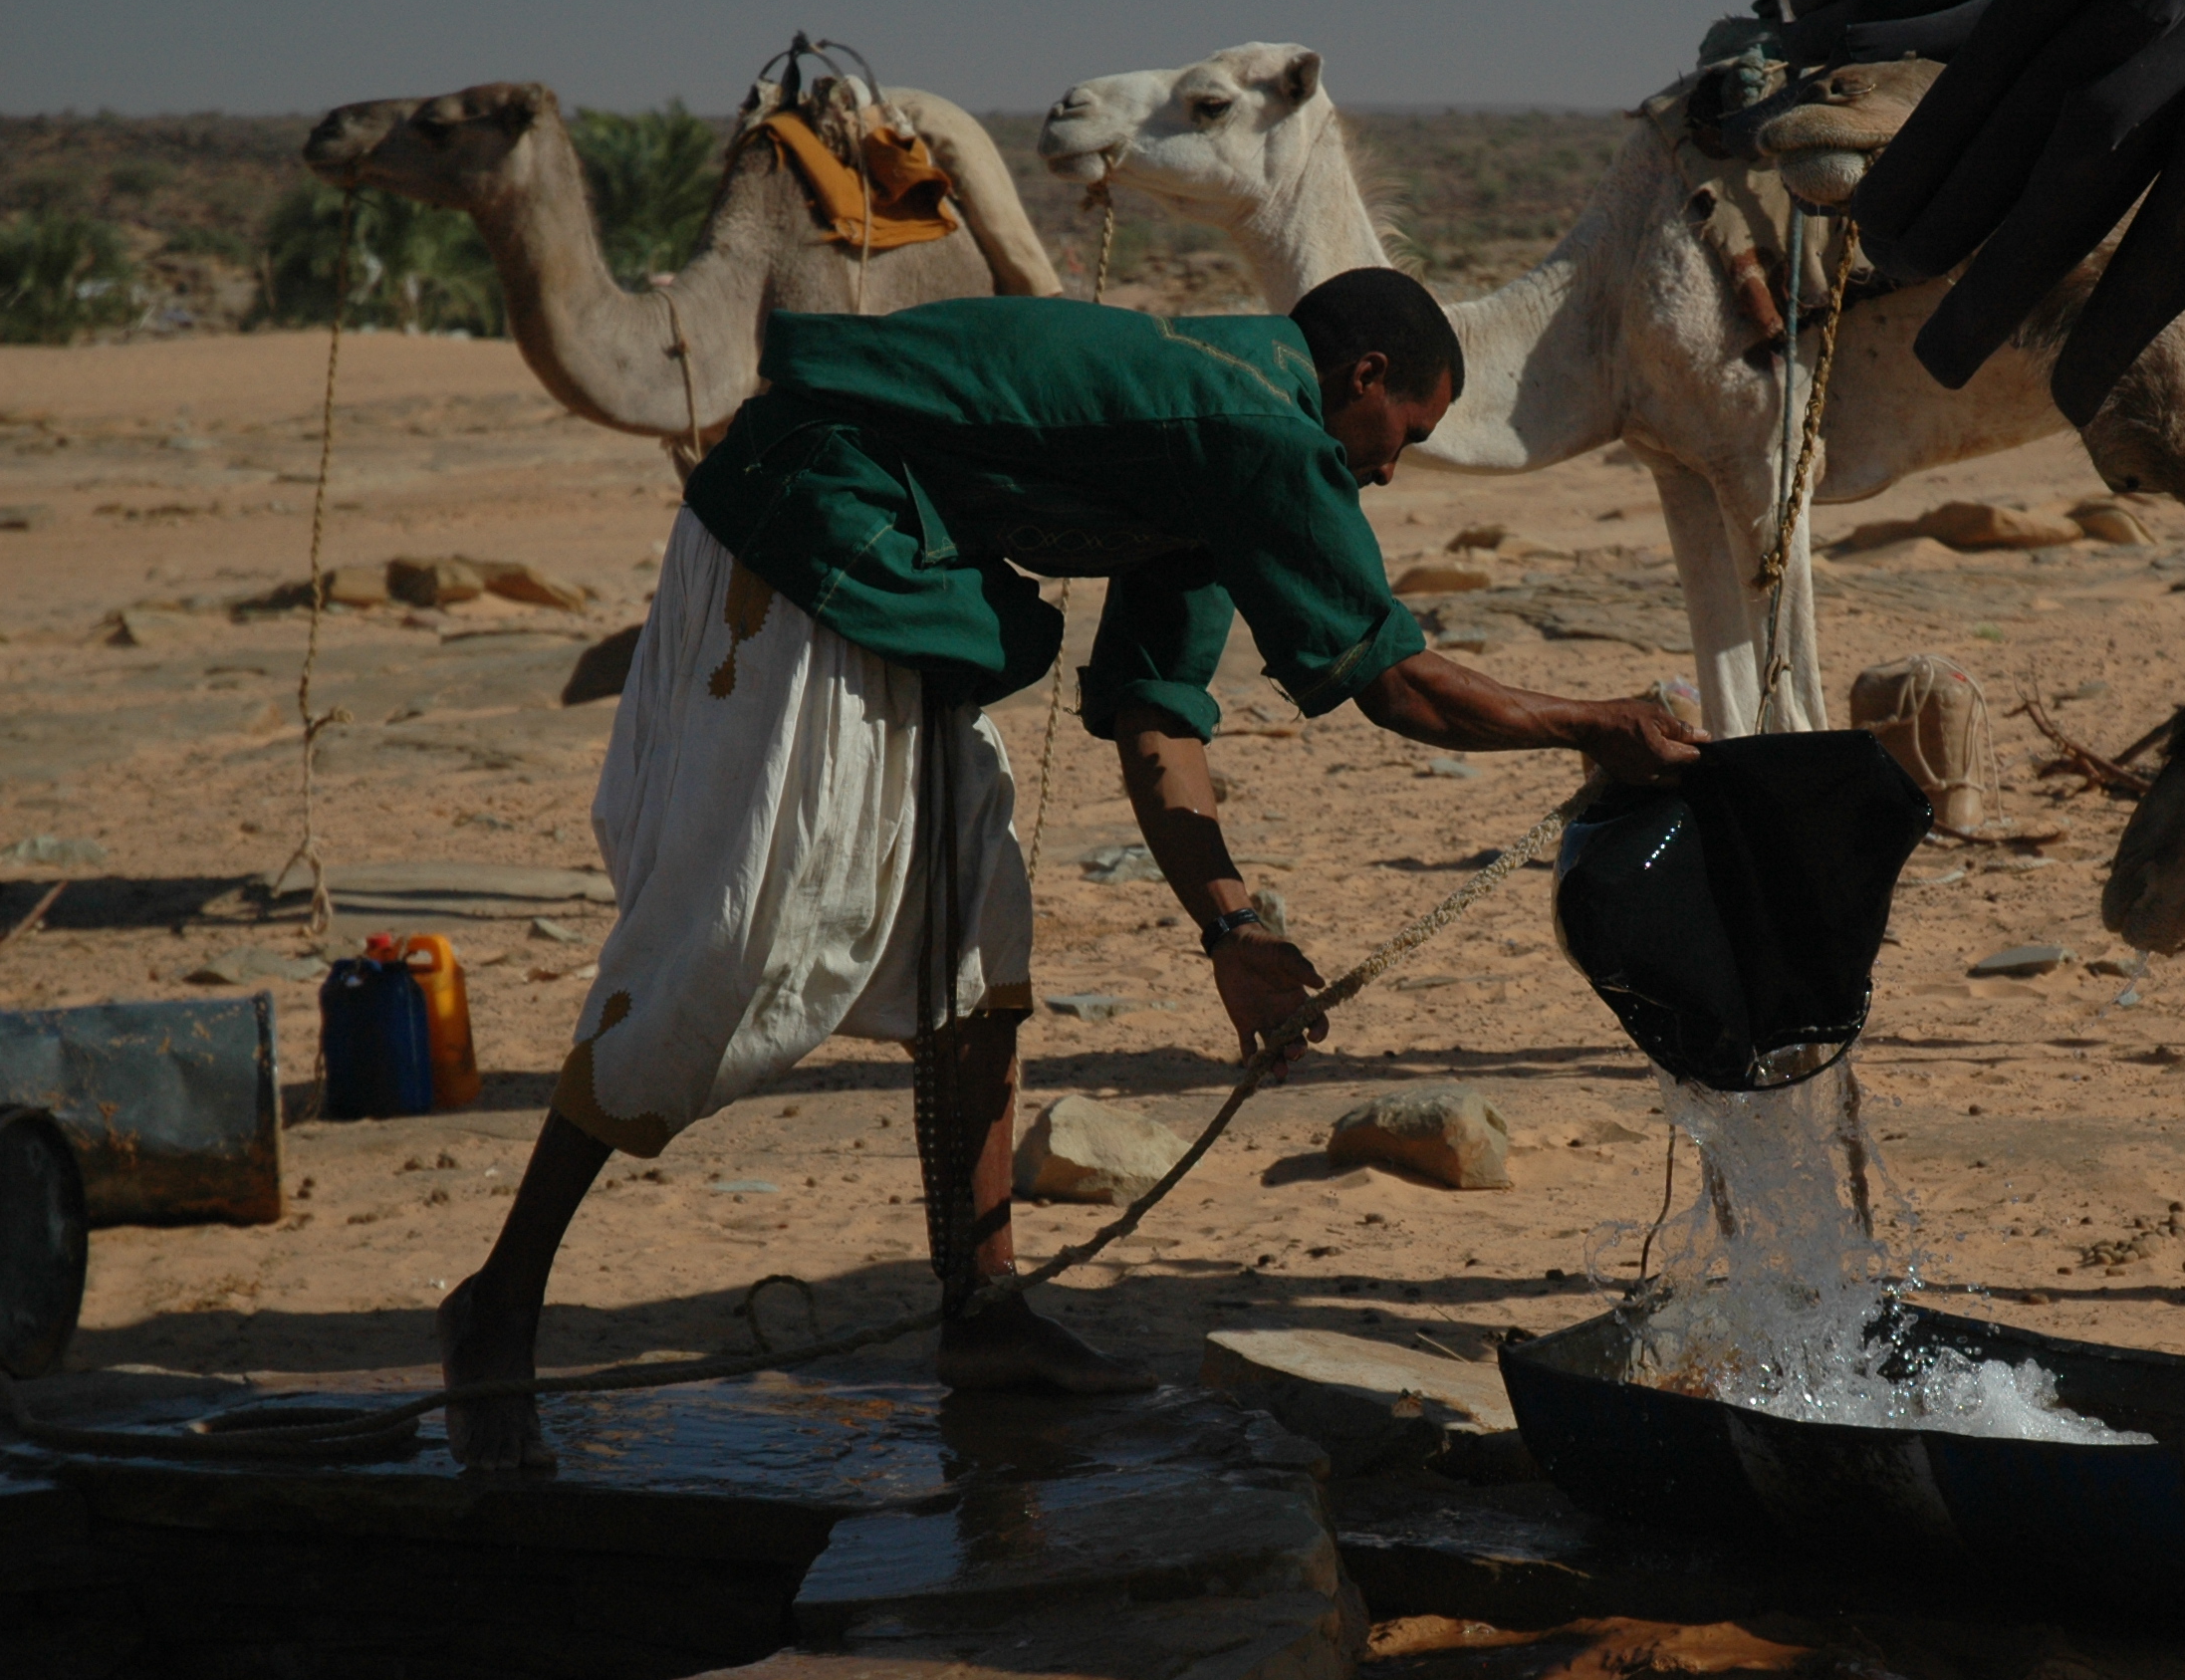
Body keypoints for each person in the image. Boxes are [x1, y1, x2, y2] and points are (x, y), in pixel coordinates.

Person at [435, 268, 1699, 1469]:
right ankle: (498, 1302)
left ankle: (981, 1310)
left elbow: (1155, 723)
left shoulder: (1210, 457)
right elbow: (1397, 684)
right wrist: (1594, 724)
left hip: (898, 577)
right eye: (1403, 432)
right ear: (1363, 374)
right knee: (733, 940)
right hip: (813, 542)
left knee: (979, 934)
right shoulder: (1255, 425)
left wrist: (1233, 932)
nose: (1387, 466)